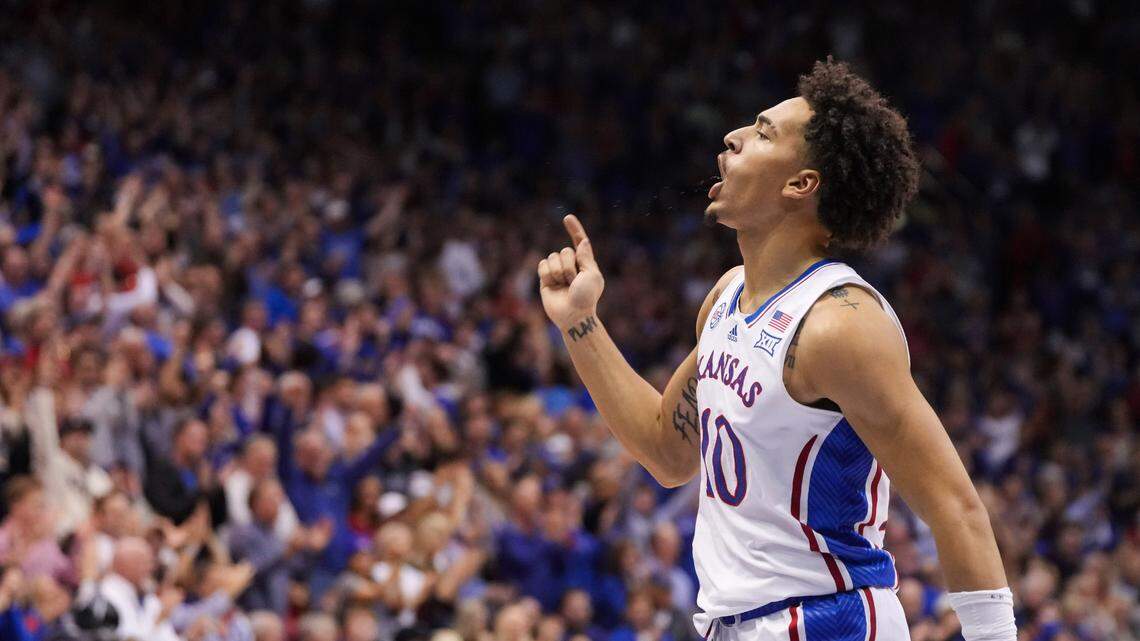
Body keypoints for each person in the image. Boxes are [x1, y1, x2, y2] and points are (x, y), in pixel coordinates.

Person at [536, 58, 1015, 640]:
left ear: (800, 184)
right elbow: (668, 452)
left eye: (763, 132)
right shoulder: (727, 296)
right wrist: (581, 324)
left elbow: (955, 507)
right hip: (735, 623)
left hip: (826, 620)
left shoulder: (839, 323)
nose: (733, 136)